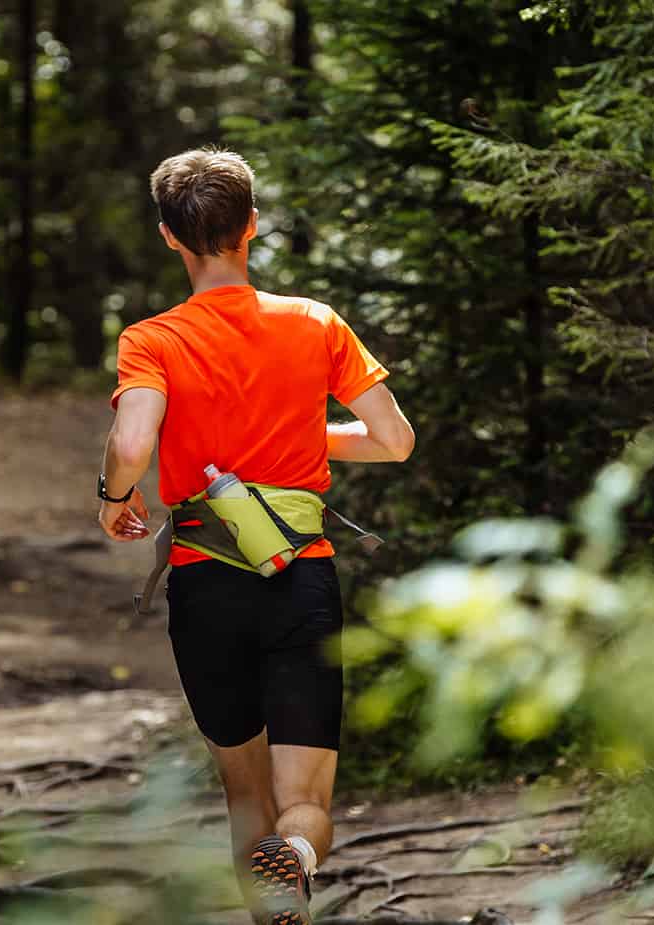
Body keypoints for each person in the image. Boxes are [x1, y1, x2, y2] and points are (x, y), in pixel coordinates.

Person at [95, 147, 414, 925]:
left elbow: (132, 443)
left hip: (206, 584)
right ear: (254, 227)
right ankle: (297, 855)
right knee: (304, 802)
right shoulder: (315, 322)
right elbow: (394, 439)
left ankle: (274, 909)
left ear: (170, 236)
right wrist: (300, 436)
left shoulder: (152, 338)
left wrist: (115, 495)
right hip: (300, 580)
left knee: (245, 791)